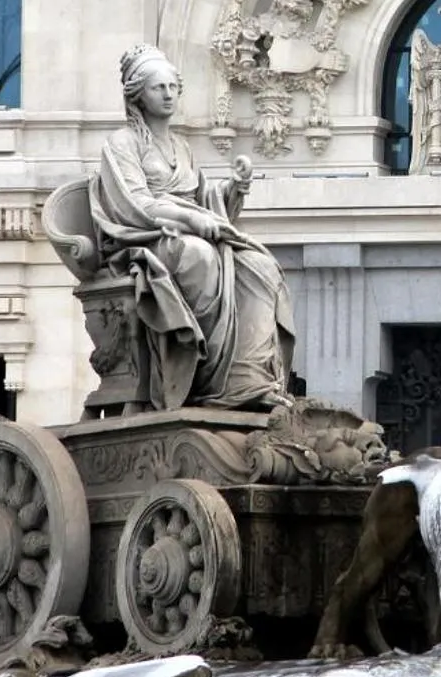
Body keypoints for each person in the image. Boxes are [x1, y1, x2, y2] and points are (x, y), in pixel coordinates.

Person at [90, 44, 295, 411]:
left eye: (173, 87)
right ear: (138, 94)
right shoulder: (121, 144)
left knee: (261, 267)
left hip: (187, 234)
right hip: (148, 240)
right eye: (158, 88)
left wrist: (234, 188)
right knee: (201, 258)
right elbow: (136, 205)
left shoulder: (182, 147)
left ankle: (246, 378)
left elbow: (205, 200)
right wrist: (193, 220)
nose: (168, 95)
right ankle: (202, 378)